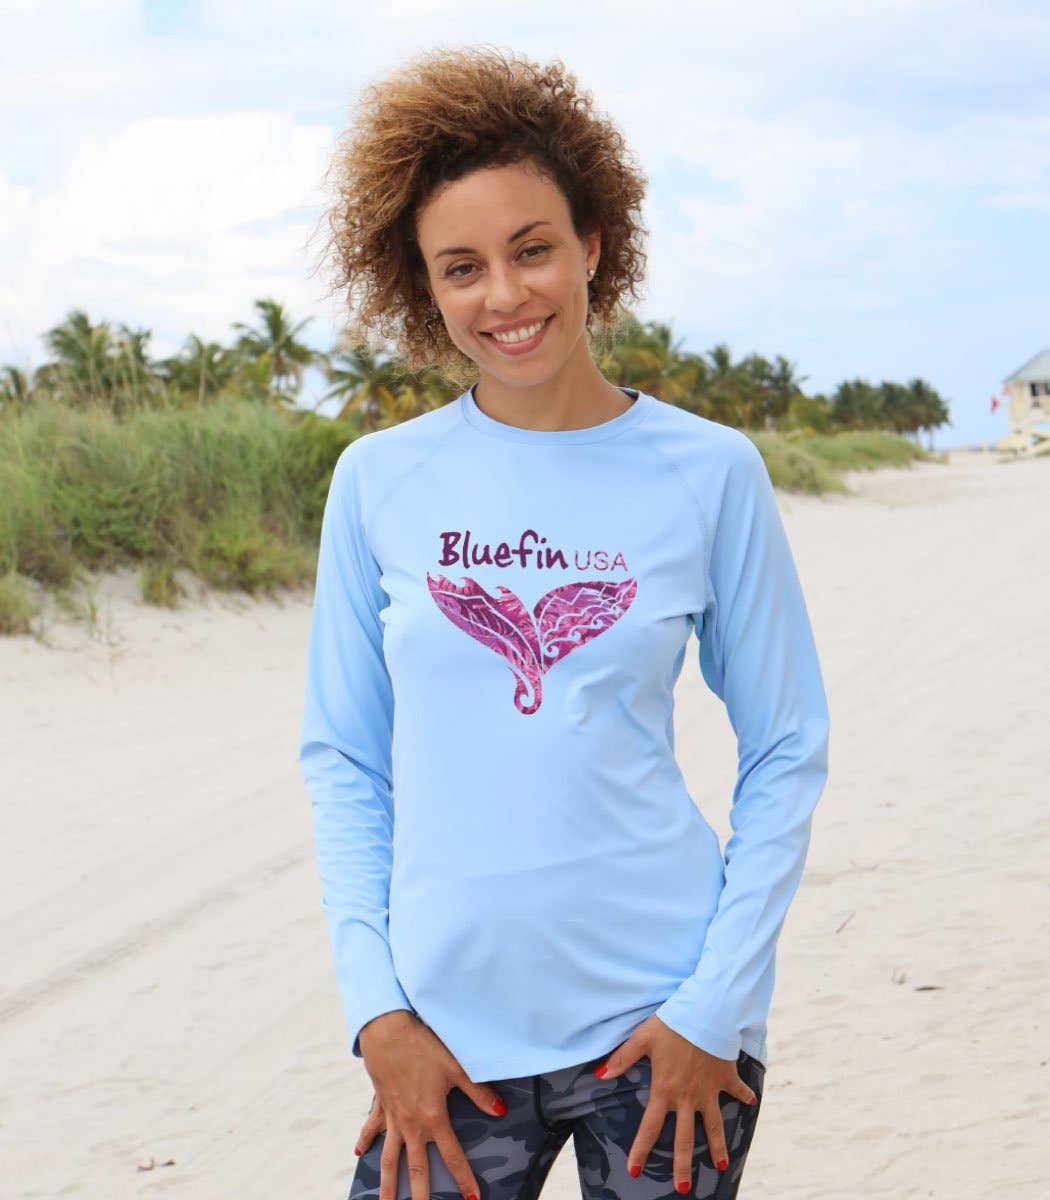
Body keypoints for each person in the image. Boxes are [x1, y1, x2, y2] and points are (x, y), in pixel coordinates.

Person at [298, 44, 830, 1200]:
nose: (504, 295)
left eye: (532, 249)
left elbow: (788, 744)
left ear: (593, 244)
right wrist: (376, 1014)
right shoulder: (379, 480)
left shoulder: (709, 472)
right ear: (423, 285)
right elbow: (344, 760)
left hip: (664, 1028)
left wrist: (715, 1008)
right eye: (462, 267)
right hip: (442, 1039)